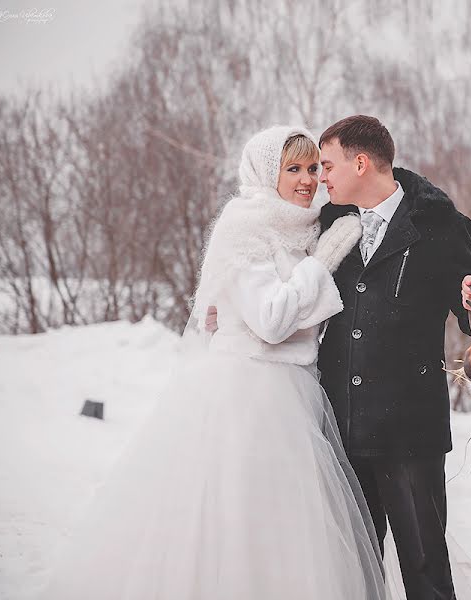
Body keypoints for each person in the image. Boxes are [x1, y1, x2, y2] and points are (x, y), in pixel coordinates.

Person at [40, 125, 390, 599]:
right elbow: (270, 319)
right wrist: (320, 263)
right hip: (247, 394)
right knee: (236, 520)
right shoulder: (245, 224)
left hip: (296, 392)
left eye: (312, 168)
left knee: (286, 525)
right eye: (293, 169)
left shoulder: (307, 226)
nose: (307, 180)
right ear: (266, 173)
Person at [316, 115, 471, 600]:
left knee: (425, 571)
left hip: (409, 433)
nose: (321, 176)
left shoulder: (438, 226)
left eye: (327, 164)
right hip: (342, 431)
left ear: (361, 161)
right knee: (353, 572)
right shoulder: (330, 222)